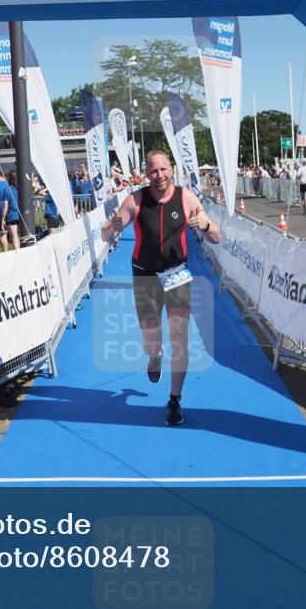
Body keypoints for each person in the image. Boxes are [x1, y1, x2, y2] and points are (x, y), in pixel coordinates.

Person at [100, 149, 221, 426]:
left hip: (177, 276)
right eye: (153, 171)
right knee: (151, 340)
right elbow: (107, 235)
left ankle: (175, 400)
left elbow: (216, 236)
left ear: (172, 169)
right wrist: (112, 226)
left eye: (163, 169)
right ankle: (155, 356)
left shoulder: (186, 198)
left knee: (179, 339)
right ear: (146, 174)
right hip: (145, 276)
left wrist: (205, 225)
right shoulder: (135, 200)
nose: (159, 175)